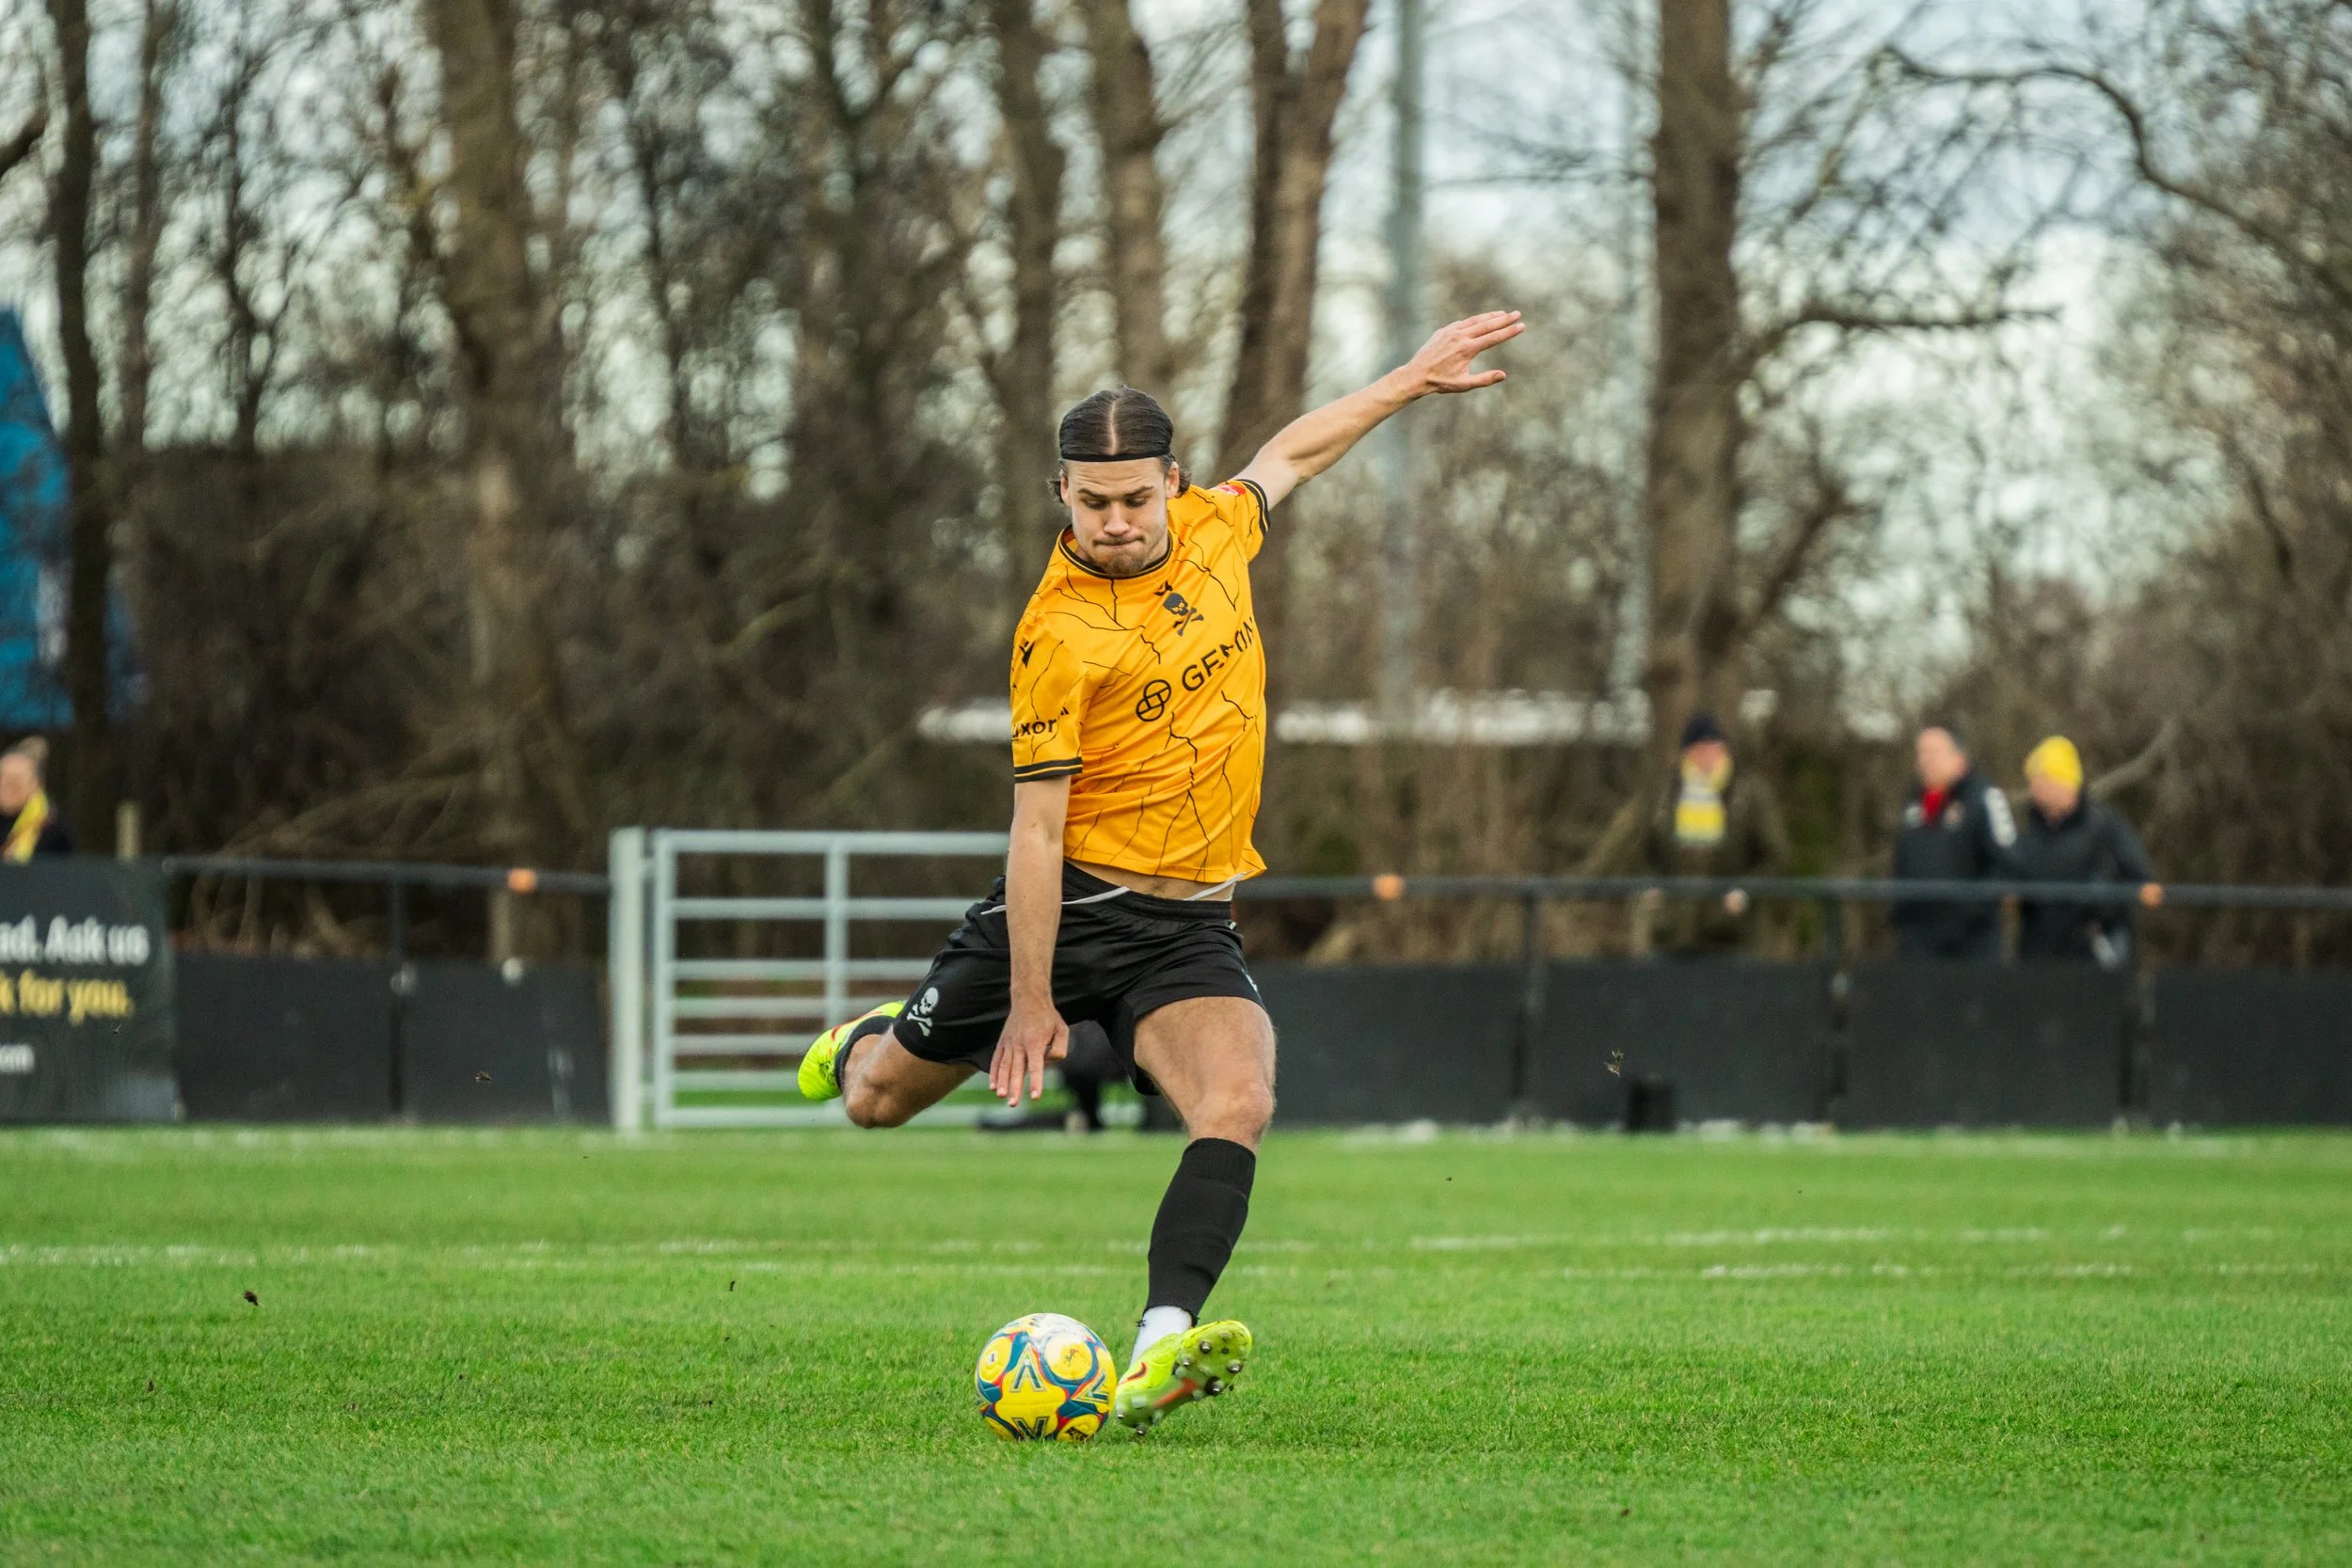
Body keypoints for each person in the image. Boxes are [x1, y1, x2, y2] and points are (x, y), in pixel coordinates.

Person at [792, 311, 1524, 1433]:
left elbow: (1293, 450)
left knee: (1239, 1098)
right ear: (1060, 494)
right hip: (1067, 906)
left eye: (1137, 497)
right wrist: (1031, 1000)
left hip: (1189, 926)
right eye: (1095, 502)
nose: (1120, 521)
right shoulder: (1056, 633)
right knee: (874, 1103)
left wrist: (1408, 382)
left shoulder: (1218, 529)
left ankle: (1156, 1344)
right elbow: (1034, 835)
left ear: (1172, 482)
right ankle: (867, 1036)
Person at [1629, 710, 1788, 954]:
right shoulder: (1666, 794)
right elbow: (1643, 852)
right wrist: (1650, 886)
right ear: (1686, 753)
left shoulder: (1748, 794)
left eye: (1713, 747)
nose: (1707, 756)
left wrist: (1745, 891)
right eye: (1699, 749)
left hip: (1733, 933)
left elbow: (1776, 855)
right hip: (1671, 932)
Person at [2011, 735, 2155, 966]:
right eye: (2033, 781)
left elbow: (2139, 877)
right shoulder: (2028, 828)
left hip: (2092, 952)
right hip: (2038, 952)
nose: (2034, 788)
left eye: (2042, 779)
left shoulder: (2104, 824)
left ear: (2065, 781)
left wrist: (2107, 913)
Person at [1890, 722, 2015, 959]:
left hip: (1970, 945)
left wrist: (1971, 909)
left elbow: (2007, 864)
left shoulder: (1984, 799)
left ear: (1958, 758)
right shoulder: (1913, 804)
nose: (1925, 760)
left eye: (1933, 753)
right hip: (1917, 942)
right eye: (1921, 753)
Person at [0, 738, 72, 860]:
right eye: (3, 776)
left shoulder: (52, 832)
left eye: (16, 779)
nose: (8, 785)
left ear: (36, 784)